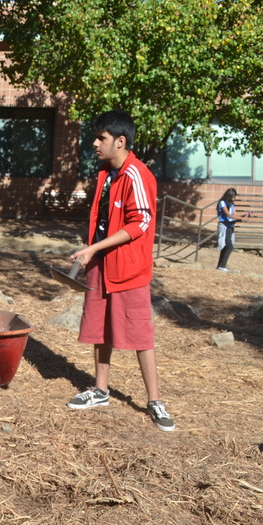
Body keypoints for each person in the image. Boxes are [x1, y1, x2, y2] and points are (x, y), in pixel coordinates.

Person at [66, 110, 174, 432]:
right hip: (100, 264)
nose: (95, 143)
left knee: (141, 334)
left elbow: (139, 223)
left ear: (121, 141)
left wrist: (94, 248)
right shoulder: (105, 173)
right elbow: (104, 222)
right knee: (101, 330)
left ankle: (154, 400)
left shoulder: (137, 175)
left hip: (128, 269)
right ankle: (100, 391)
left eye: (101, 138)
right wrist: (91, 251)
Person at [216, 187, 239, 272]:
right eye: (233, 197)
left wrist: (243, 217)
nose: (234, 198)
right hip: (224, 225)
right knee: (229, 246)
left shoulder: (232, 204)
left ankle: (220, 265)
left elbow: (235, 214)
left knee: (227, 246)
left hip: (230, 226)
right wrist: (238, 217)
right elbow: (228, 214)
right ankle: (222, 266)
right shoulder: (222, 203)